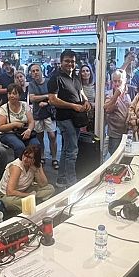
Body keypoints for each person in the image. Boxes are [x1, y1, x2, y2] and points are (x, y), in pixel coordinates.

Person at [47, 49, 91, 188]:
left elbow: (81, 92)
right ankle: (72, 183)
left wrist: (86, 101)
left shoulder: (76, 77)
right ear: (61, 62)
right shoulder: (55, 78)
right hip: (64, 118)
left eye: (72, 61)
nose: (70, 64)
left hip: (77, 118)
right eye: (67, 61)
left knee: (67, 149)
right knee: (72, 150)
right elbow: (52, 100)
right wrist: (73, 106)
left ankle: (61, 178)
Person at [0, 145, 55, 215]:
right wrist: (29, 195)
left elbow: (43, 184)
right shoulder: (17, 167)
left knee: (50, 188)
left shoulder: (34, 165)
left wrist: (37, 169)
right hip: (7, 195)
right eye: (24, 155)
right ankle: (34, 202)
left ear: (34, 159)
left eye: (29, 157)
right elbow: (10, 192)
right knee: (8, 202)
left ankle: (29, 203)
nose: (25, 159)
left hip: (25, 189)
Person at [27, 63, 58, 168]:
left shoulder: (49, 82)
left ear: (41, 71)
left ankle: (54, 158)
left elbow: (55, 97)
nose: (35, 73)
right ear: (31, 73)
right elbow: (32, 98)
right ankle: (42, 156)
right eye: (33, 71)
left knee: (52, 136)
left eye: (37, 70)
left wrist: (47, 102)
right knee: (39, 137)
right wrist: (46, 96)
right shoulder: (31, 84)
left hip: (50, 113)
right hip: (37, 114)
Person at [0, 83, 36, 158]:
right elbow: (0, 127)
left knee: (35, 145)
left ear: (20, 95)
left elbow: (31, 121)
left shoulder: (24, 105)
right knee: (19, 146)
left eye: (14, 93)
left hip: (23, 131)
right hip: (8, 133)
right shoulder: (4, 108)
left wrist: (29, 130)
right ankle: (18, 167)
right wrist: (14, 124)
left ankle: (33, 166)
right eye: (9, 93)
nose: (11, 95)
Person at [104, 69, 131, 154]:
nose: (117, 83)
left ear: (124, 82)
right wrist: (116, 96)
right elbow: (107, 109)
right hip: (115, 135)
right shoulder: (109, 94)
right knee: (114, 158)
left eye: (119, 81)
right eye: (115, 81)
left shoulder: (128, 93)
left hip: (126, 133)